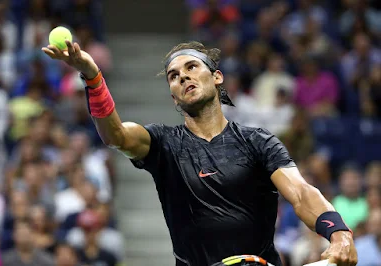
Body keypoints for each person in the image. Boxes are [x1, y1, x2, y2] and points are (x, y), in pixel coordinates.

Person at [42, 40, 358, 266]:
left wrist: (339, 233)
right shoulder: (161, 143)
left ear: (216, 77)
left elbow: (301, 194)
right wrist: (92, 75)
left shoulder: (258, 141)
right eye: (174, 76)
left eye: (192, 67)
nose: (184, 77)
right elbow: (115, 135)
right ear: (173, 96)